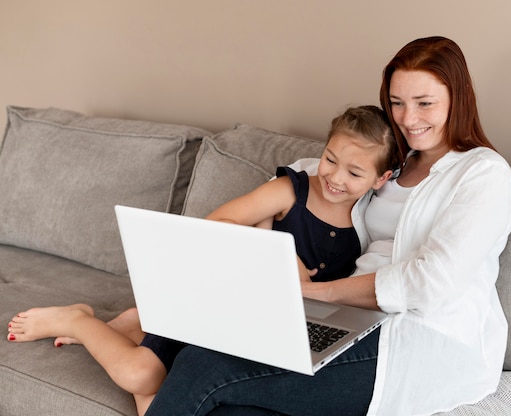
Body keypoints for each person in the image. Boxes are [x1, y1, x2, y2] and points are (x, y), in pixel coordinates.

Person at [141, 36, 511, 416]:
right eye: (397, 102)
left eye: (424, 103)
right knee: (220, 393)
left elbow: (429, 283)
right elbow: (320, 178)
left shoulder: (483, 174)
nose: (408, 118)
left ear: (458, 98)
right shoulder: (392, 165)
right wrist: (275, 240)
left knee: (202, 366)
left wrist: (318, 293)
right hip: (344, 318)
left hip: (412, 340)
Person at [6, 105, 398, 416]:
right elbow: (217, 224)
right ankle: (79, 319)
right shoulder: (292, 189)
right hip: (217, 302)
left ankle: (127, 323)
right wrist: (282, 256)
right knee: (140, 375)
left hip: (260, 330)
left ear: (380, 180)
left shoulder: (364, 230)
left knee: (165, 400)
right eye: (330, 160)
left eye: (355, 172)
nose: (336, 177)